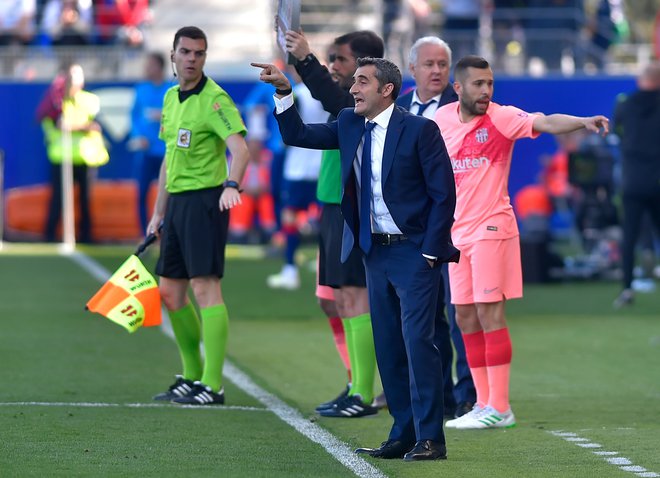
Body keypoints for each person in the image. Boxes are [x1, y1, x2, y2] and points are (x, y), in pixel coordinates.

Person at [253, 56, 458, 461]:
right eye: (354, 82)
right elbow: (298, 134)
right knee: (388, 346)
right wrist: (283, 92)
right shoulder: (349, 123)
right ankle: (403, 433)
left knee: (418, 342)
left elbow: (443, 194)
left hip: (416, 253)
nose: (353, 89)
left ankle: (431, 437)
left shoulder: (421, 130)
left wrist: (431, 251)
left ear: (387, 90)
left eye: (362, 82)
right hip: (373, 253)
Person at [434, 55, 609, 429]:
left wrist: (581, 121)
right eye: (478, 84)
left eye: (490, 83)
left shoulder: (501, 117)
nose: (486, 91)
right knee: (463, 316)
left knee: (487, 311)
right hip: (457, 233)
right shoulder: (440, 120)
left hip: (492, 228)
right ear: (458, 88)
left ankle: (500, 406)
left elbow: (544, 121)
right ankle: (482, 404)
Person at [283, 29, 384, 417]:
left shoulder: (361, 104)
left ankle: (362, 392)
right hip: (331, 207)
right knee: (331, 300)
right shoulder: (342, 102)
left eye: (339, 59)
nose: (333, 66)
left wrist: (305, 59)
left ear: (365, 66)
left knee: (353, 298)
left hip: (351, 210)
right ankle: (354, 381)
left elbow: (330, 94)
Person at [148, 26, 250, 406]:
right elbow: (168, 159)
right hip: (176, 204)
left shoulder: (215, 99)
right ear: (173, 55)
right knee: (170, 293)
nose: (193, 58)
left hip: (206, 201)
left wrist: (231, 185)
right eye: (186, 52)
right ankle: (191, 374)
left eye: (200, 53)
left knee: (205, 289)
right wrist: (158, 211)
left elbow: (240, 151)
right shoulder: (171, 97)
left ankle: (213, 384)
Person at [396, 35, 476, 419]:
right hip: (414, 229)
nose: (437, 70)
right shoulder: (394, 108)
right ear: (412, 69)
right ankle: (441, 396)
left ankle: (470, 394)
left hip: (456, 224)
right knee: (427, 319)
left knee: (461, 311)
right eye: (429, 63)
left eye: (443, 64)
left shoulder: (465, 109)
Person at [266, 77, 326, 290]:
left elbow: (287, 131)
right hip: (321, 164)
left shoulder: (297, 94)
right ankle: (322, 264)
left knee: (290, 217)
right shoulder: (325, 93)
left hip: (298, 166)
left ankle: (290, 269)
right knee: (325, 218)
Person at [38, 63, 105, 243]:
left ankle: (86, 235)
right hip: (61, 156)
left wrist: (77, 127)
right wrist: (78, 126)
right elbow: (55, 125)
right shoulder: (55, 101)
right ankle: (50, 235)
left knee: (85, 200)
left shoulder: (90, 100)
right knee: (58, 199)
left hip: (85, 157)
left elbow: (93, 126)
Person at [612, 61, 660, 308]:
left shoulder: (626, 104)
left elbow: (617, 132)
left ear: (641, 79)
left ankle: (627, 289)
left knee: (629, 236)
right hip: (658, 180)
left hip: (632, 180)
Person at [128, 51, 171, 232]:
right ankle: (145, 233)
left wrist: (161, 116)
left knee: (169, 194)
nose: (147, 68)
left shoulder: (172, 89)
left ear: (160, 67)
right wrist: (139, 136)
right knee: (142, 194)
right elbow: (134, 117)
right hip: (147, 151)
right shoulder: (141, 90)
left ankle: (168, 232)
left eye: (151, 64)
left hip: (167, 152)